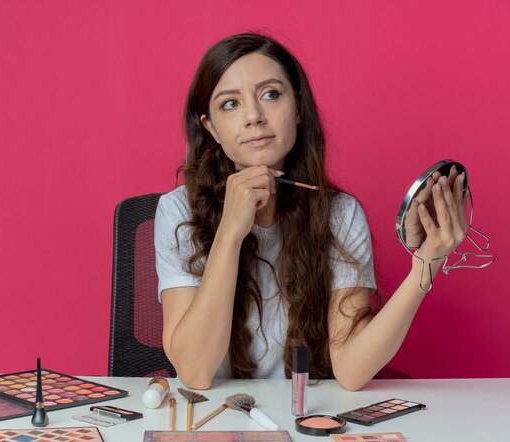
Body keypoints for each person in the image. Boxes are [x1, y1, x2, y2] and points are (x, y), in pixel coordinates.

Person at [154, 32, 467, 391]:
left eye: (271, 94)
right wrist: (229, 233)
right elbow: (195, 372)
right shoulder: (178, 210)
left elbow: (350, 371)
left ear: (298, 108)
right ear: (210, 127)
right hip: (214, 416)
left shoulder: (340, 214)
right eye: (230, 104)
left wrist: (426, 263)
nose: (254, 116)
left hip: (301, 412)